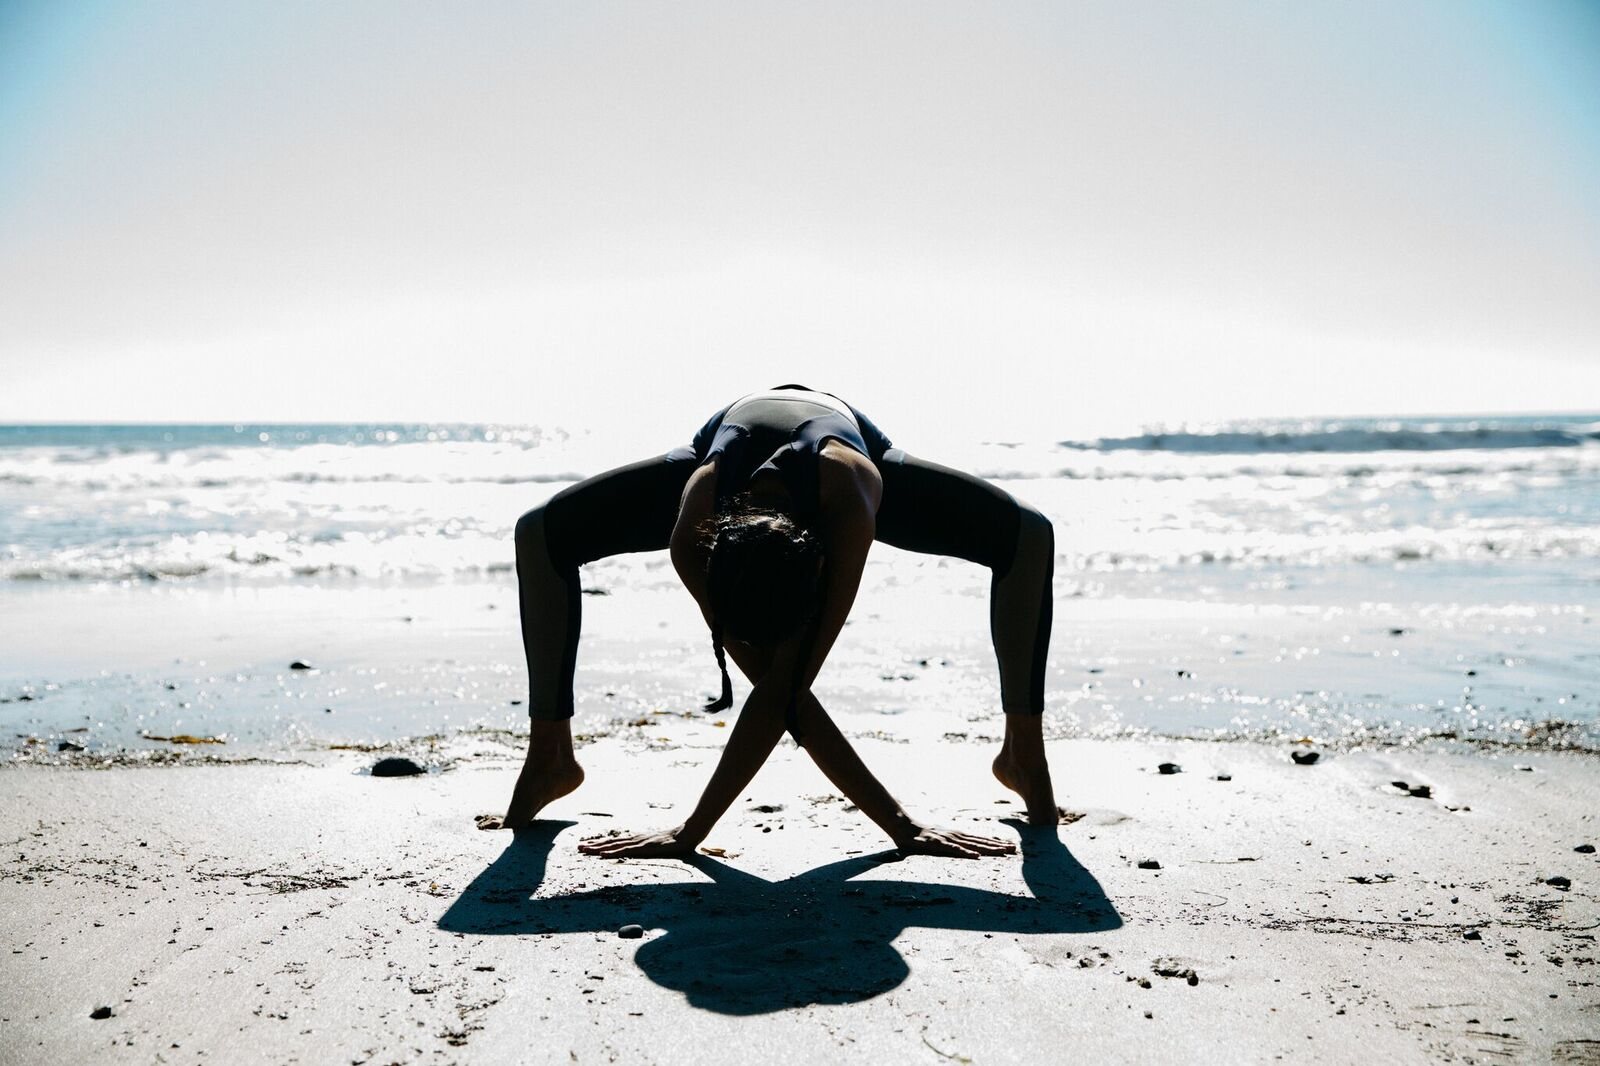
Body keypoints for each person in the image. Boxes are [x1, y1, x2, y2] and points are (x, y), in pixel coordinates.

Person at [476, 385, 1059, 858]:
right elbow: (779, 698)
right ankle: (550, 755)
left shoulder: (848, 505)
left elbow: (787, 690)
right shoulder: (694, 528)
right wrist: (687, 835)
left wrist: (902, 829)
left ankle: (1023, 754)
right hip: (722, 450)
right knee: (539, 532)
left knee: (1029, 534)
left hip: (847, 442)